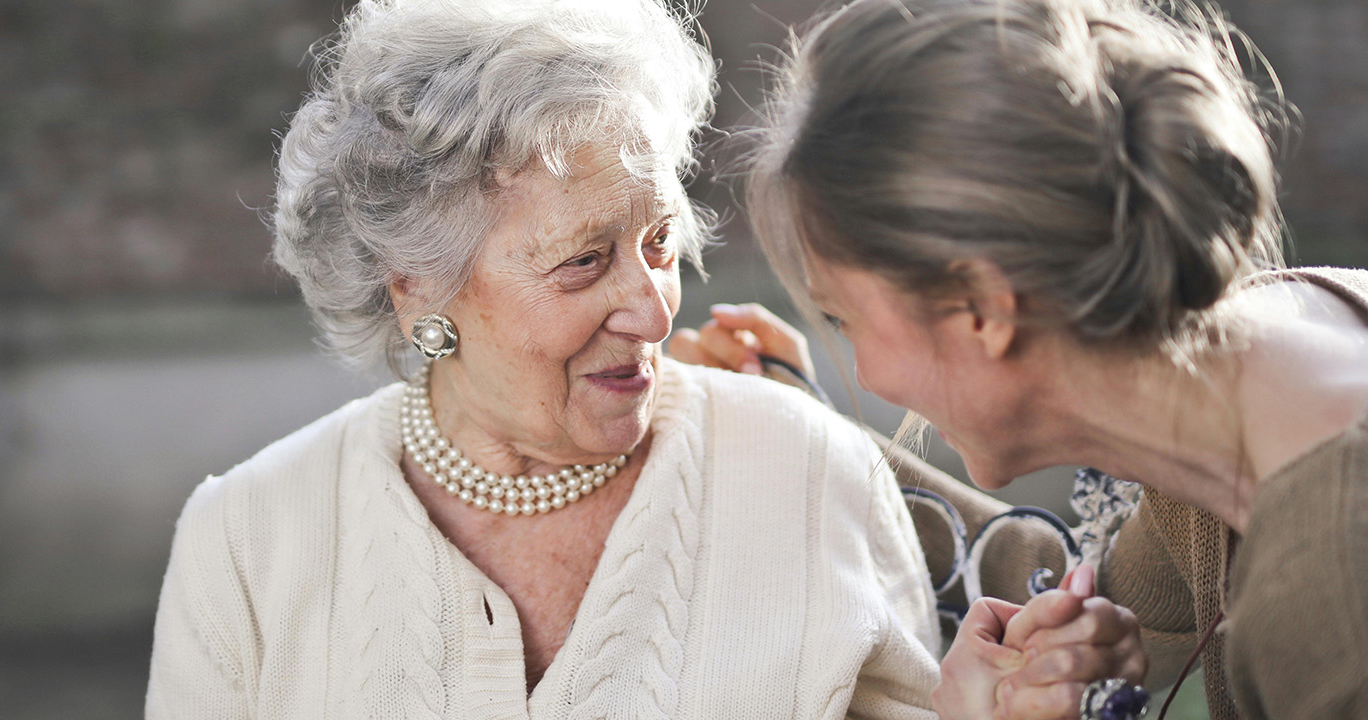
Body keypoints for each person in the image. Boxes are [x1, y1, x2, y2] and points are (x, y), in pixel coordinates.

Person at [145, 1, 1145, 718]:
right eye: (584, 263)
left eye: (660, 245)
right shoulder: (246, 539)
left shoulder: (802, 469)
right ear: (417, 286)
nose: (652, 305)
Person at [712, 0, 1368, 717]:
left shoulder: (1360, 625)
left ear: (981, 308)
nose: (865, 373)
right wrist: (802, 432)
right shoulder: (1274, 353)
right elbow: (1065, 586)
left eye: (846, 319)